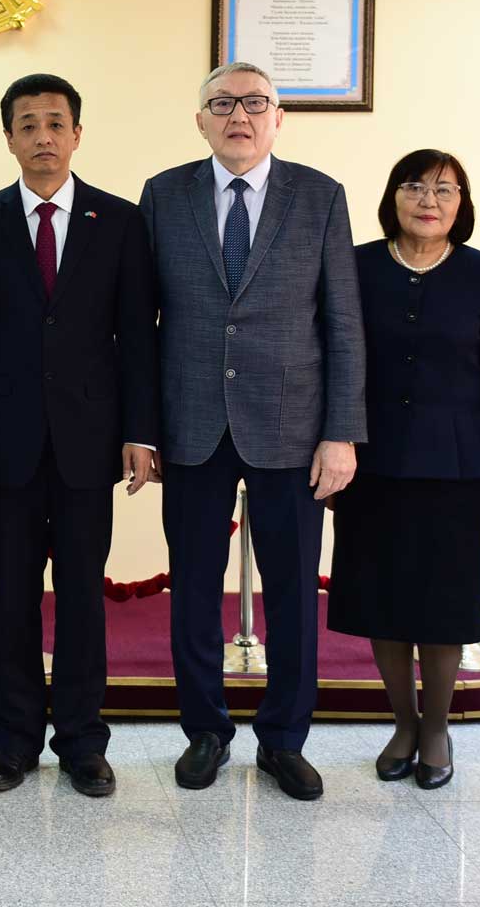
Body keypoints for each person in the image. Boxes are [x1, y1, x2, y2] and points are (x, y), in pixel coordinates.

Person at [139, 61, 365, 802]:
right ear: (200, 119)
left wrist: (341, 432)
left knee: (294, 591)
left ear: (278, 118)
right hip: (191, 422)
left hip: (294, 426)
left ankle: (284, 740)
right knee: (193, 589)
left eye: (256, 103)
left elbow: (343, 322)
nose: (239, 115)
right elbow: (140, 323)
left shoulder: (320, 196)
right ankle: (205, 731)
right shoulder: (163, 195)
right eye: (223, 103)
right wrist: (142, 427)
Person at [0, 73, 158, 799]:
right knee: (11, 598)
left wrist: (140, 431)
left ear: (77, 134)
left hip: (89, 442)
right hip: (5, 442)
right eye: (28, 124)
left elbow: (138, 336)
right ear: (8, 138)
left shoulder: (118, 221)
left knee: (82, 597)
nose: (43, 137)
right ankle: (12, 744)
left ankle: (83, 744)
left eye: (55, 123)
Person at [327, 150, 480, 790]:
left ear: (462, 203)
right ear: (393, 197)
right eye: (414, 186)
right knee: (381, 599)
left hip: (455, 466)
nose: (427, 200)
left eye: (444, 189)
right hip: (371, 461)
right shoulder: (356, 266)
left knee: (442, 603)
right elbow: (335, 358)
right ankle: (402, 723)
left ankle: (436, 727)